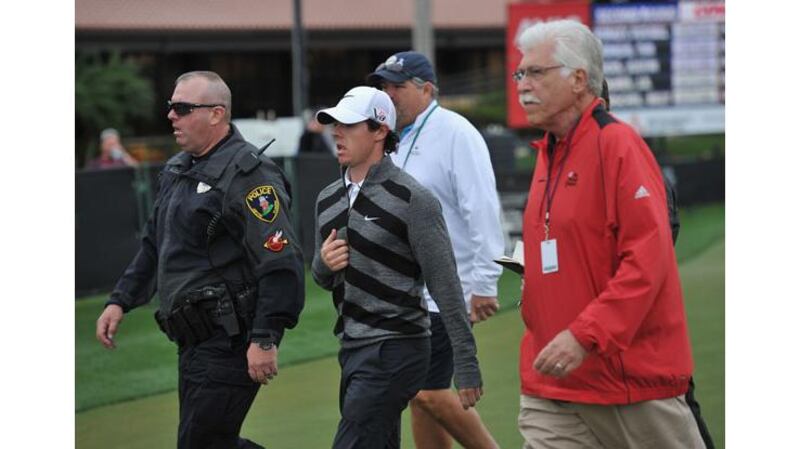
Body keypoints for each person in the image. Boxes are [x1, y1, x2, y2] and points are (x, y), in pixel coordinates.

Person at [513, 20, 706, 448]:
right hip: (553, 383)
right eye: (519, 74)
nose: (523, 85)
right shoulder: (548, 153)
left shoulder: (617, 144)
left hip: (628, 382)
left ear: (579, 79)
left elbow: (648, 258)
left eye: (536, 73)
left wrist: (585, 335)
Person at [95, 71, 305, 449]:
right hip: (191, 340)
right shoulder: (179, 170)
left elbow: (281, 261)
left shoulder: (249, 176)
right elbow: (153, 244)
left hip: (230, 340)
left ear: (216, 114)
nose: (172, 116)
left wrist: (265, 337)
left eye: (183, 108)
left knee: (201, 443)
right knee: (209, 442)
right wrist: (120, 300)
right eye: (171, 107)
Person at [311, 86, 483, 449]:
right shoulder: (327, 199)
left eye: (348, 125)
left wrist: (466, 363)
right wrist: (324, 264)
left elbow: (445, 284)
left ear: (379, 131)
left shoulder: (413, 198)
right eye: (334, 124)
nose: (336, 133)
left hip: (399, 347)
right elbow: (322, 276)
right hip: (352, 347)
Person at [366, 51, 502, 449]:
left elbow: (481, 207)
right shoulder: (392, 137)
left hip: (447, 289)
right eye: (384, 86)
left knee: (428, 391)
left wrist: (485, 281)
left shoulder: (455, 132)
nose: (388, 95)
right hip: (407, 293)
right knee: (419, 395)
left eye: (398, 86)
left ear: (426, 89)